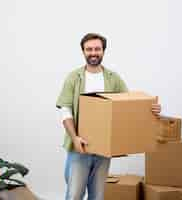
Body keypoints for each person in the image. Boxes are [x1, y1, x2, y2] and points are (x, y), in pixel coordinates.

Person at [56, 33, 161, 200]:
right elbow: (65, 109)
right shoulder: (74, 78)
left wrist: (150, 109)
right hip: (80, 146)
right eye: (89, 49)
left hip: (104, 149)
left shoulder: (113, 78)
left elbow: (128, 105)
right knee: (74, 194)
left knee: (98, 195)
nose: (93, 53)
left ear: (103, 51)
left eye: (97, 49)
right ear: (83, 51)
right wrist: (75, 138)